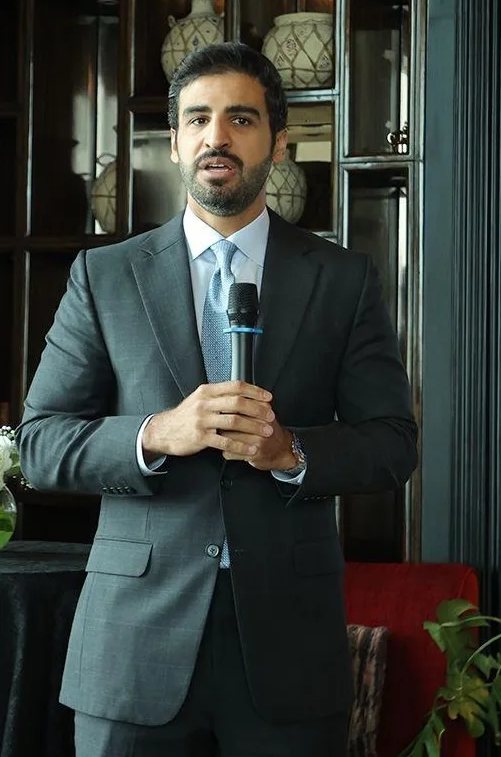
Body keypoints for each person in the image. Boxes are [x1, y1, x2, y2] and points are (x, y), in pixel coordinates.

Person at [17, 41, 417, 756]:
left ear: (278, 142)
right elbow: (41, 443)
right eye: (198, 119)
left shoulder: (342, 278)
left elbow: (393, 444)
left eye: (241, 118)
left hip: (288, 651)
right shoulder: (104, 277)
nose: (217, 136)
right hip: (133, 647)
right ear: (174, 142)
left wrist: (290, 451)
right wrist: (156, 433)